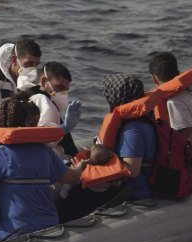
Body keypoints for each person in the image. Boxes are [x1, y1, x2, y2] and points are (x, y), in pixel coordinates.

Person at [0, 97, 85, 241]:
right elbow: (71, 177)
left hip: (14, 233)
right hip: (50, 227)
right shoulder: (44, 151)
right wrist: (80, 167)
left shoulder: (0, 153)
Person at [57, 74, 156, 222]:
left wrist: (89, 170)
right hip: (117, 184)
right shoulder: (136, 120)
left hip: (132, 190)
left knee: (72, 201)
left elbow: (133, 171)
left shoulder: (133, 131)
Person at [149, 52, 192, 163]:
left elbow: (191, 138)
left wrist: (191, 167)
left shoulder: (173, 102)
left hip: (189, 168)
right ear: (178, 73)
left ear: (154, 79)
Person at [20, 61, 82, 156]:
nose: (63, 93)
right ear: (44, 81)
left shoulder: (30, 94)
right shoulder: (44, 101)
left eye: (65, 90)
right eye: (60, 87)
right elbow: (45, 140)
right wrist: (64, 128)